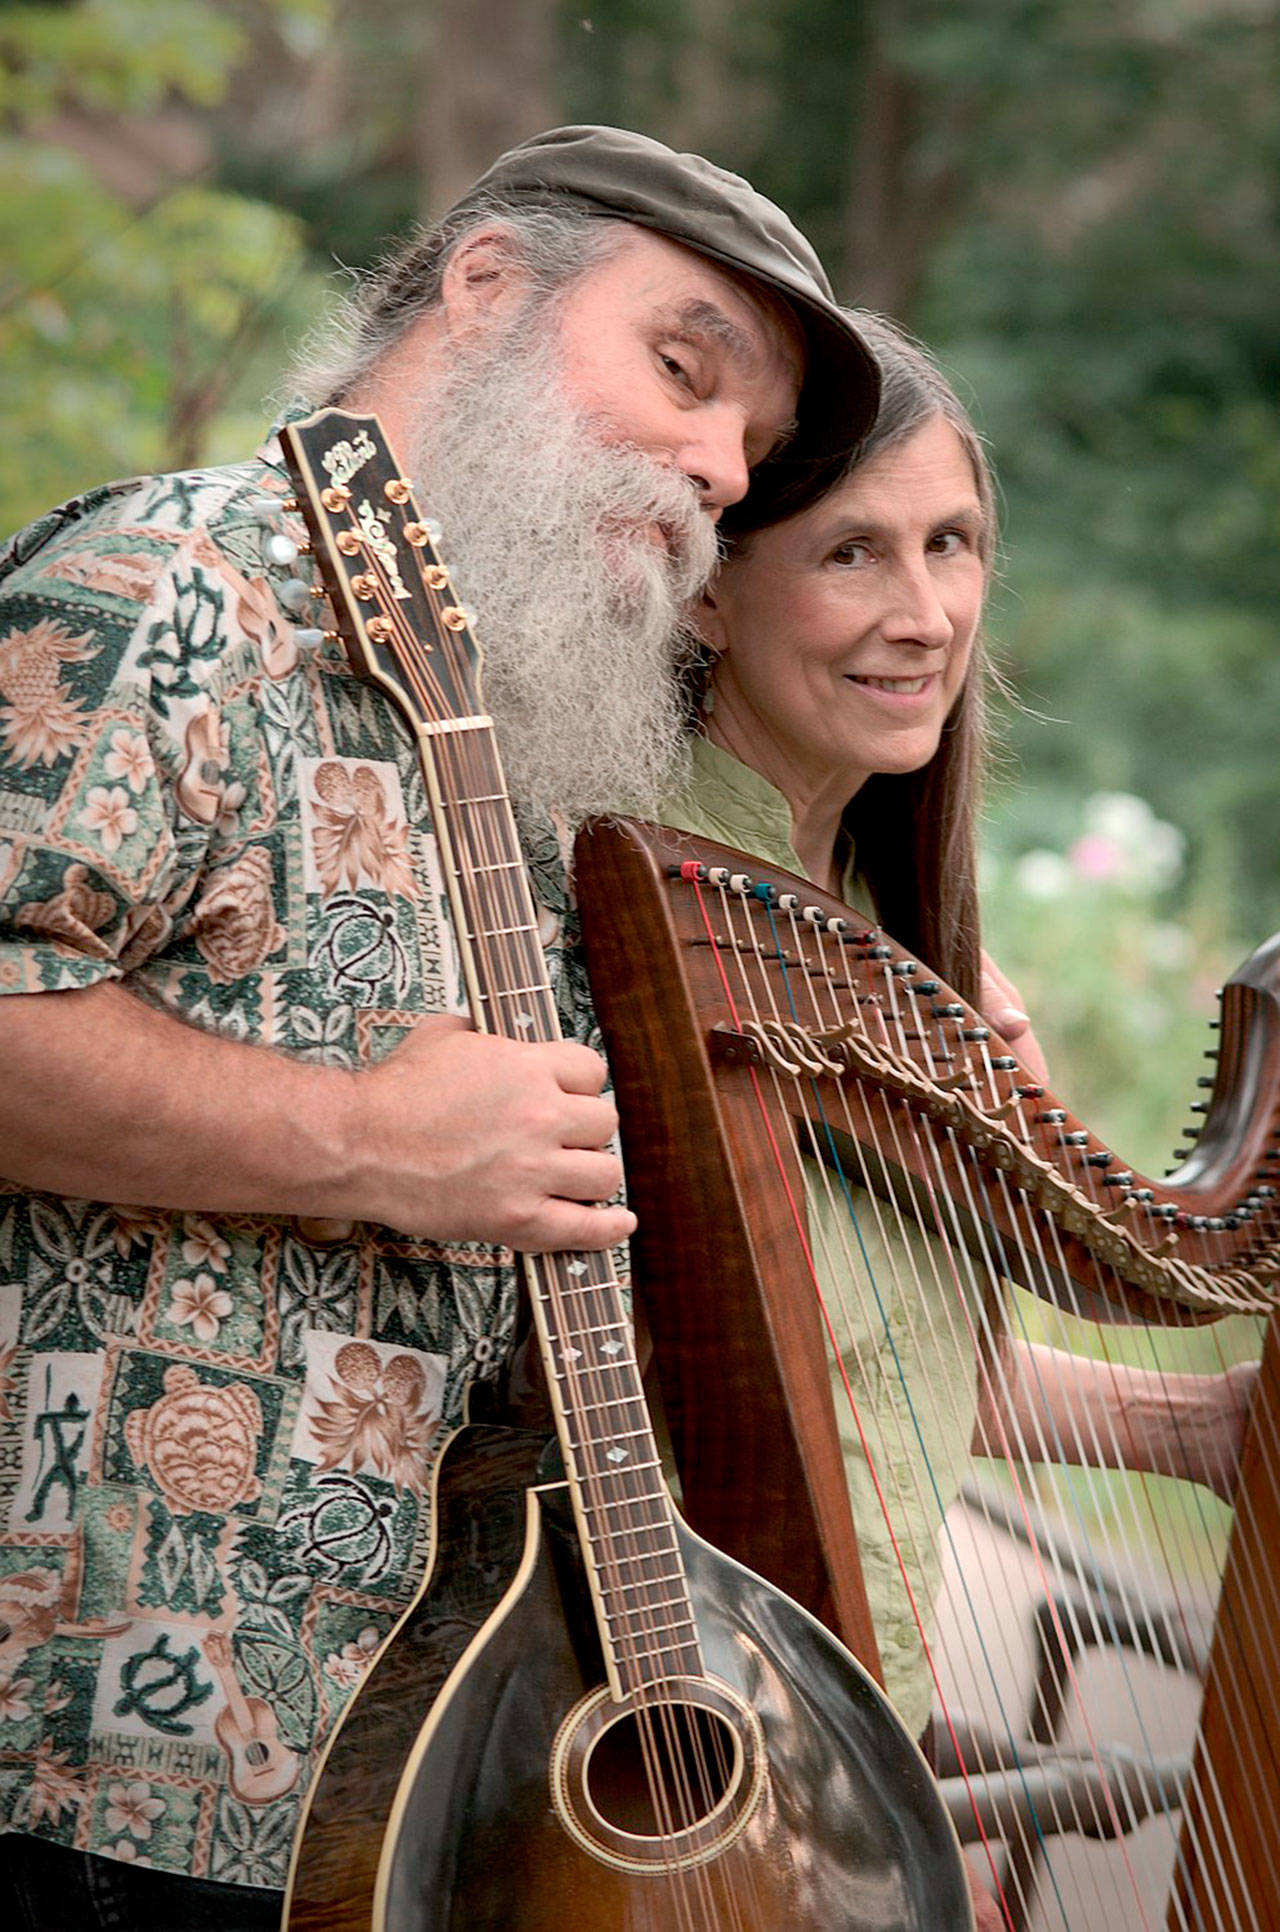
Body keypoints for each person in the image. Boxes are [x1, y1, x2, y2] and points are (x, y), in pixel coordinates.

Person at [0, 126, 883, 1927]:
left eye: (749, 453)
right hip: (83, 1769)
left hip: (393, 1798)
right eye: (682, 367)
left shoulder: (518, 724)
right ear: (485, 285)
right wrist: (373, 1141)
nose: (716, 466)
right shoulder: (181, 586)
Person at [657, 307, 1254, 1765]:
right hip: (672, 1766)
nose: (924, 614)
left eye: (954, 543)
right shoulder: (634, 915)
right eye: (852, 551)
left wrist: (1204, 1429)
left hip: (855, 1762)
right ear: (706, 596)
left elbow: (859, 1366)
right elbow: (690, 1400)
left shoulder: (890, 927)